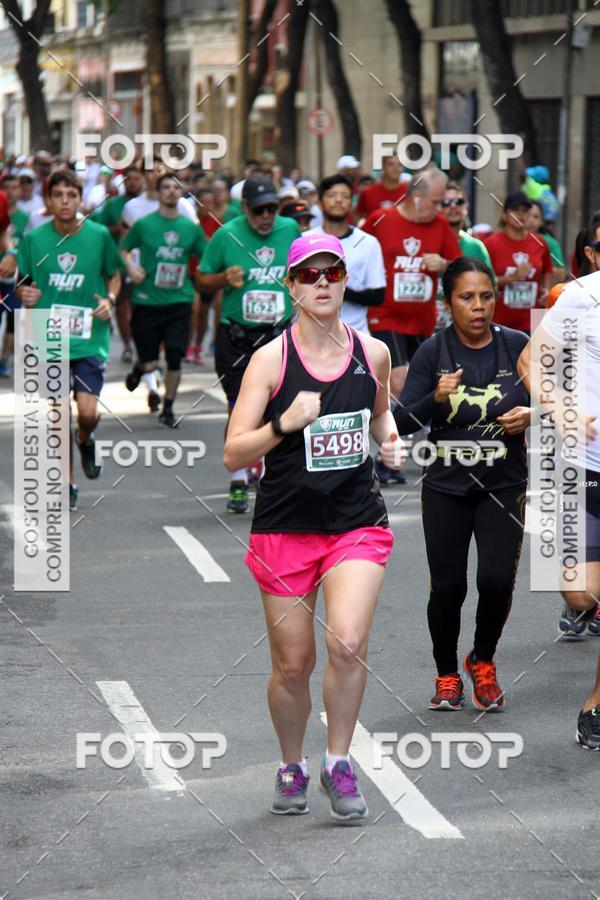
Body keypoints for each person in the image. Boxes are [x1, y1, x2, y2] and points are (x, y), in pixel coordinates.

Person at [224, 233, 402, 819]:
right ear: (291, 285)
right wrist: (285, 423)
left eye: (332, 272)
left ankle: (339, 762)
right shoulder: (271, 360)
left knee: (346, 642)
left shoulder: (372, 353)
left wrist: (390, 441)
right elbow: (233, 452)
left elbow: (379, 415)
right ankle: (291, 764)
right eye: (308, 274)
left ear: (346, 281)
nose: (322, 282)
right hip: (285, 525)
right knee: (293, 665)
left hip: (356, 522)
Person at [395, 257, 530, 711]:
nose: (478, 306)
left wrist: (533, 414)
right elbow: (399, 421)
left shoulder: (518, 345)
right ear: (448, 302)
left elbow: (559, 400)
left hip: (503, 486)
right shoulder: (433, 351)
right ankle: (447, 674)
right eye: (467, 297)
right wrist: (434, 399)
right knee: (448, 587)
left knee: (496, 581)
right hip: (445, 488)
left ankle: (483, 660)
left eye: (486, 296)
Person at [518, 254, 600, 747]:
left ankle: (598, 700)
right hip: (584, 462)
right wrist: (561, 411)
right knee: (579, 594)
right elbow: (531, 361)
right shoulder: (582, 295)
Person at [16, 169, 124, 511]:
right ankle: (67, 482)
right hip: (49, 338)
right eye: (58, 195)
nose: (65, 201)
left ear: (81, 199)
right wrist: (24, 293)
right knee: (58, 411)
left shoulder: (99, 235)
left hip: (89, 339)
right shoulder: (34, 239)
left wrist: (110, 300)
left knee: (87, 413)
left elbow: (115, 274)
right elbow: (23, 283)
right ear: (48, 201)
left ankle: (85, 437)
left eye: (71, 195)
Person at [197, 175, 300, 514]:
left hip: (277, 335)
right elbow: (202, 278)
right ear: (244, 208)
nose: (266, 216)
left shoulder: (290, 229)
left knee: (277, 409)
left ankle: (270, 478)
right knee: (239, 409)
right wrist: (222, 278)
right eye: (259, 210)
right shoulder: (226, 234)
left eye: (272, 208)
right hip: (237, 337)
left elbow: (303, 268)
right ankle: (239, 480)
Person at [363, 166, 461, 483]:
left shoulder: (441, 225)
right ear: (415, 196)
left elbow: (459, 267)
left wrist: (443, 264)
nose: (440, 208)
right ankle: (391, 454)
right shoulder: (381, 219)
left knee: (421, 386)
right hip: (385, 314)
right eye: (435, 202)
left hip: (422, 319)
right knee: (398, 380)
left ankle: (405, 450)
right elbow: (358, 252)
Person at [120, 174, 207, 427]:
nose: (171, 191)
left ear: (181, 193)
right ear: (158, 193)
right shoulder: (144, 225)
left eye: (176, 187)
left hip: (179, 301)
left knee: (174, 356)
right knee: (150, 361)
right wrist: (131, 268)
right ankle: (139, 369)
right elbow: (123, 249)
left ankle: (168, 408)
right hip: (147, 301)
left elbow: (208, 255)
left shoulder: (190, 228)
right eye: (166, 187)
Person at [306, 174, 385, 335]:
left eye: (345, 196)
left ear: (352, 204)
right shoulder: (305, 241)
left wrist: (339, 288)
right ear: (319, 203)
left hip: (355, 334)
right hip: (311, 335)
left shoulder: (368, 242)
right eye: (331, 195)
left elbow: (378, 296)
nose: (338, 200)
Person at [92, 164, 145, 362]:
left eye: (137, 179)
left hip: (143, 263)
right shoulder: (113, 204)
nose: (133, 183)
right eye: (129, 179)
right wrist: (117, 228)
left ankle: (144, 345)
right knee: (122, 307)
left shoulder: (148, 205)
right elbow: (99, 230)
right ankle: (128, 345)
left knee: (141, 308)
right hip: (119, 261)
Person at [485, 191, 553, 334]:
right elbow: (484, 283)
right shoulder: (491, 244)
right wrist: (511, 278)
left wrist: (547, 291)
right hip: (500, 322)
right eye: (515, 210)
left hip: (533, 321)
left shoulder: (539, 242)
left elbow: (547, 270)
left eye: (525, 211)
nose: (520, 215)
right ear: (504, 215)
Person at [0, 173, 27, 376]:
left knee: (13, 318)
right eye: (6, 187)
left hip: (15, 276)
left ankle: (4, 360)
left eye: (14, 187)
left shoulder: (26, 218)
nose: (10, 192)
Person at [356, 154, 407, 222]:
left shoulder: (409, 192)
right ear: (383, 167)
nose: (396, 168)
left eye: (400, 165)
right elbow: (358, 215)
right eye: (391, 164)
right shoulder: (368, 192)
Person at [526, 200, 566, 282]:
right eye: (528, 216)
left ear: (541, 221)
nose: (531, 220)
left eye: (536, 217)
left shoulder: (550, 242)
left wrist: (540, 267)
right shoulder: (513, 240)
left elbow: (562, 274)